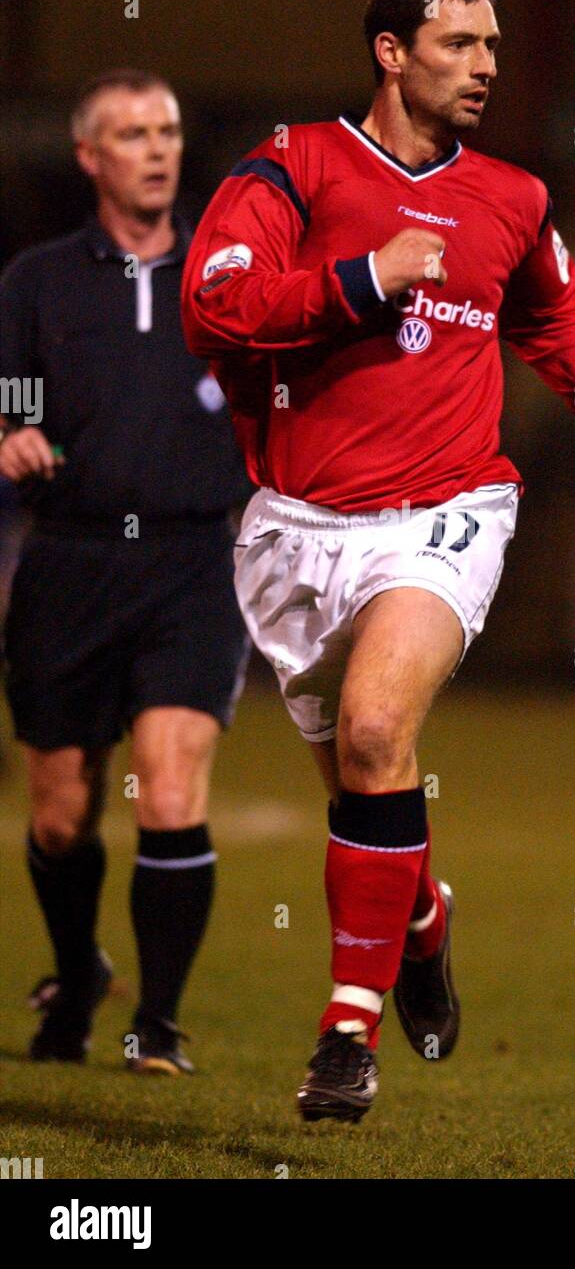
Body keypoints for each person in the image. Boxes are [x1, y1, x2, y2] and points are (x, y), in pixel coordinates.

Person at [182, 0, 575, 1122]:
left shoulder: (511, 196)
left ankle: (345, 1032)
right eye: (460, 46)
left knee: (378, 726)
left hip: (445, 512)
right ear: (390, 52)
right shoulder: (290, 166)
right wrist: (362, 278)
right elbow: (213, 303)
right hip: (295, 531)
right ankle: (421, 918)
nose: (485, 67)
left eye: (492, 47)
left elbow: (555, 314)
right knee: (362, 780)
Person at [0, 69, 250, 1074]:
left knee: (171, 788)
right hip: (68, 563)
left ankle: (161, 1021)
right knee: (60, 817)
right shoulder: (36, 280)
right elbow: (10, 385)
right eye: (132, 133)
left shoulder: (231, 274)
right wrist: (12, 427)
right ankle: (75, 973)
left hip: (193, 564)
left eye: (169, 130)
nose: (157, 148)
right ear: (89, 157)